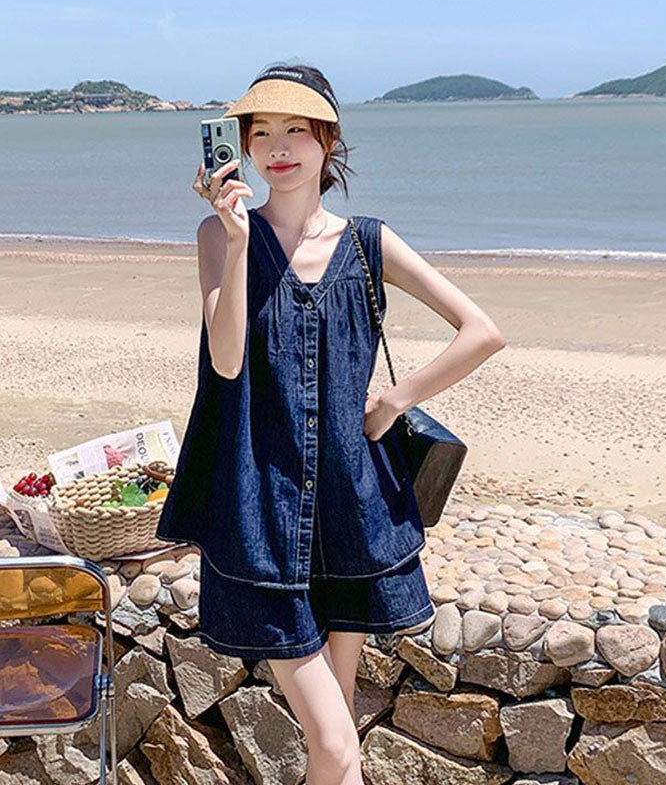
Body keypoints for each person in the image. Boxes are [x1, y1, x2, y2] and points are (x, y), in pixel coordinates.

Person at [156, 61, 506, 785]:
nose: (278, 148)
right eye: (260, 134)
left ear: (328, 141)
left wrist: (396, 399)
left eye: (296, 130)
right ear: (241, 148)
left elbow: (481, 331)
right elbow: (226, 361)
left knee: (338, 736)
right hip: (260, 513)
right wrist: (237, 240)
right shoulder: (219, 236)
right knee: (339, 744)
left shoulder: (368, 243)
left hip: (352, 509)